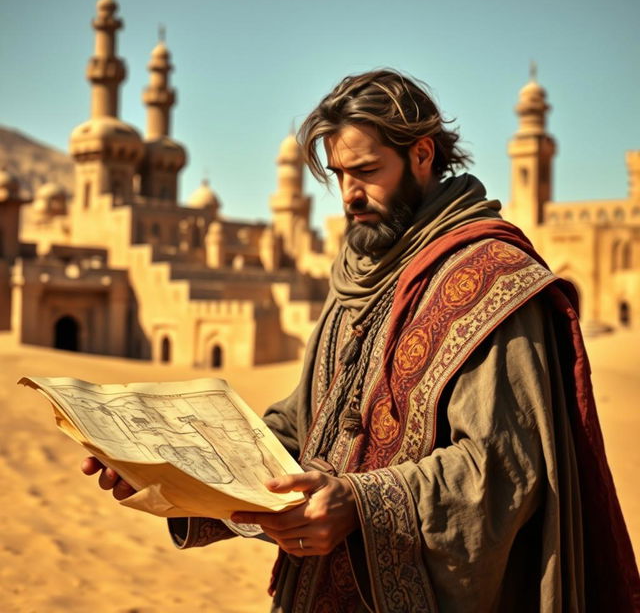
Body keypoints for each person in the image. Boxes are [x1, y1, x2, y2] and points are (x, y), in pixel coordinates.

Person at [83, 69, 640, 612]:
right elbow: (306, 426)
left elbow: (503, 468)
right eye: (338, 174)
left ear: (422, 155)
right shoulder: (356, 274)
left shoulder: (490, 278)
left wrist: (361, 505)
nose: (349, 194)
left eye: (367, 170)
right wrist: (170, 468)